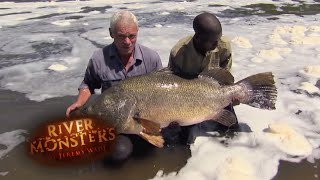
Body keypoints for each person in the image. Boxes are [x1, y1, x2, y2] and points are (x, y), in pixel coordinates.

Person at [66, 10, 163, 162]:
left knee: (159, 147)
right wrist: (79, 103)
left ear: (137, 32)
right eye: (121, 36)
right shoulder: (99, 59)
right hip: (116, 120)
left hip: (146, 118)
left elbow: (161, 90)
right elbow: (88, 85)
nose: (127, 42)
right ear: (111, 33)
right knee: (119, 153)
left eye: (132, 36)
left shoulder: (151, 57)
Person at [167, 12, 238, 144]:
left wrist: (230, 95)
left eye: (219, 39)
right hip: (187, 97)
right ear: (198, 37)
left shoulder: (224, 45)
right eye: (213, 41)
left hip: (216, 92)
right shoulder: (178, 53)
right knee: (183, 139)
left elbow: (226, 77)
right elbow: (171, 84)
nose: (217, 44)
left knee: (232, 131)